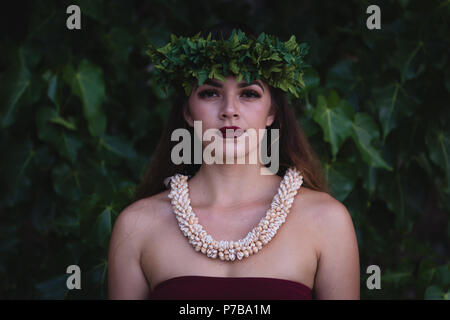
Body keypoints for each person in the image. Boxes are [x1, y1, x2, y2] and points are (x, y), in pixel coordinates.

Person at [107, 22, 360, 300]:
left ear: (272, 112)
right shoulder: (137, 226)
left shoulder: (326, 220)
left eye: (249, 93)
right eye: (210, 93)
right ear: (188, 113)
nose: (229, 110)